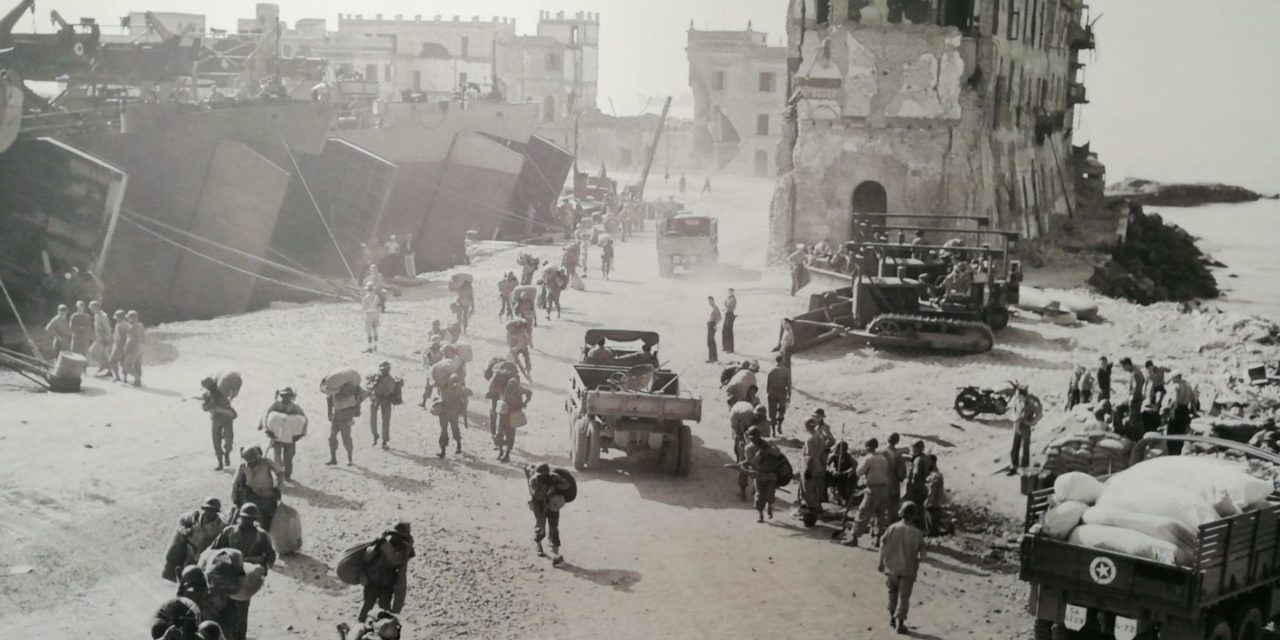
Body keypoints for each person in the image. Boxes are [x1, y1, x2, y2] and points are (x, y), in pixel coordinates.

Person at [209, 503, 276, 640]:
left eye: (251, 519)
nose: (247, 521)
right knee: (222, 610)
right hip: (226, 577)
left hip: (246, 579)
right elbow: (213, 550)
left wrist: (264, 567)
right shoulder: (229, 532)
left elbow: (270, 555)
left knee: (241, 613)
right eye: (245, 518)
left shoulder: (261, 536)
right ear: (239, 517)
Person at [879, 501, 927, 634]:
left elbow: (883, 544)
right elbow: (922, 552)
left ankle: (891, 618)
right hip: (908, 570)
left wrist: (881, 562)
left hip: (892, 568)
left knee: (892, 593)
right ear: (915, 516)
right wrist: (920, 558)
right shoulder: (917, 533)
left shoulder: (893, 528)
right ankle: (900, 623)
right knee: (904, 597)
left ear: (901, 513)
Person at [358, 523, 414, 623]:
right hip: (373, 580)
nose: (396, 539)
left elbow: (396, 560)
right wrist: (375, 548)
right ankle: (360, 626)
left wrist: (385, 546)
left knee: (384, 609)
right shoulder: (383, 542)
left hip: (387, 584)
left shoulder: (404, 550)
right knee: (367, 605)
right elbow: (366, 557)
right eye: (395, 535)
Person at [164, 497, 226, 582]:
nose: (208, 512)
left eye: (212, 511)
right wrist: (184, 530)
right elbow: (181, 521)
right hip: (190, 550)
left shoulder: (221, 525)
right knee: (186, 571)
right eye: (206, 509)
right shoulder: (195, 517)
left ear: (216, 512)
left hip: (205, 554)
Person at [847, 438, 889, 547]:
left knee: (863, 512)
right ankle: (877, 538)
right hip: (884, 489)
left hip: (873, 489)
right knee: (880, 515)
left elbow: (859, 472)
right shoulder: (883, 458)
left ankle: (854, 537)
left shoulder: (869, 458)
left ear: (868, 447)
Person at [525, 463, 570, 563]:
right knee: (540, 527)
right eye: (540, 475)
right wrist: (546, 487)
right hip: (539, 505)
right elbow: (538, 496)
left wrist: (558, 485)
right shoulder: (533, 480)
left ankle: (555, 554)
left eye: (545, 475)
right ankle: (539, 546)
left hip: (552, 505)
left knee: (554, 528)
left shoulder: (554, 477)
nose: (543, 477)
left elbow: (566, 485)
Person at [261, 388, 306, 481]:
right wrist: (267, 430)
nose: (285, 397)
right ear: (281, 396)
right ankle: (279, 474)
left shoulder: (295, 407)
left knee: (289, 457)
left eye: (287, 395)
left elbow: (304, 420)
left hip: (289, 437)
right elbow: (266, 416)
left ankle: (287, 475)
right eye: (283, 395)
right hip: (276, 435)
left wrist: (300, 434)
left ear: (291, 396)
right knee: (277, 456)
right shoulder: (275, 405)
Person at [231, 446, 281, 530]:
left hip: (267, 496)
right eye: (248, 462)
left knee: (268, 519)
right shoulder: (242, 467)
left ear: (257, 458)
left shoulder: (266, 462)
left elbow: (280, 471)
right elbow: (235, 483)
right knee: (239, 514)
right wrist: (234, 495)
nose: (250, 464)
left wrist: (278, 484)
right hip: (251, 496)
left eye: (252, 461)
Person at [742, 426, 785, 523]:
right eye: (752, 438)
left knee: (770, 493)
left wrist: (769, 450)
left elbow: (778, 453)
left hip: (771, 474)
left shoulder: (768, 442)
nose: (754, 439)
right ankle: (760, 514)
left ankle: (769, 506)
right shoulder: (748, 448)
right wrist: (760, 455)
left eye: (756, 437)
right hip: (759, 474)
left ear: (759, 436)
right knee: (759, 495)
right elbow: (751, 462)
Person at [730, 402, 768, 501]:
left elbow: (766, 439)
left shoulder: (762, 424)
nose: (758, 418)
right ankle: (746, 490)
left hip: (753, 448)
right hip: (750, 447)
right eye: (757, 415)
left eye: (760, 416)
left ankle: (752, 489)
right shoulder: (748, 418)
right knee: (747, 468)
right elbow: (740, 432)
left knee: (749, 468)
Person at [201, 377, 237, 471]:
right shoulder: (208, 395)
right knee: (216, 442)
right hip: (216, 420)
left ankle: (227, 454)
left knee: (229, 440)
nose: (211, 388)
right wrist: (210, 403)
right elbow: (204, 408)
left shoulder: (222, 393)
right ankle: (220, 462)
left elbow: (229, 406)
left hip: (227, 420)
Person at [484, 357, 520, 446]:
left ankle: (494, 435)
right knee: (511, 419)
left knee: (493, 413)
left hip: (497, 395)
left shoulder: (495, 371)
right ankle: (509, 441)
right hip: (510, 398)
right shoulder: (513, 372)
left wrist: (490, 394)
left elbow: (490, 383)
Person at [327, 382, 365, 466]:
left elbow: (354, 406)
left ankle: (350, 459)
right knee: (332, 437)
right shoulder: (334, 392)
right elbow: (329, 401)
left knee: (346, 439)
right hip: (336, 417)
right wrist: (329, 413)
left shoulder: (350, 393)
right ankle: (333, 459)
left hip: (345, 418)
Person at [1008, 385, 1042, 475]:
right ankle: (1014, 466)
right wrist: (1014, 418)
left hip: (1025, 428)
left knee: (1025, 448)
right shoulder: (1017, 402)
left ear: (1023, 395)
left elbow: (1039, 414)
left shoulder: (1031, 405)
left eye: (1018, 394)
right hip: (1017, 426)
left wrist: (1032, 423)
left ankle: (1024, 468)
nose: (1016, 396)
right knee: (1015, 447)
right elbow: (1012, 411)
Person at [497, 376, 532, 462]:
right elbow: (529, 393)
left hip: (510, 414)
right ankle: (502, 452)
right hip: (505, 413)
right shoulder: (512, 388)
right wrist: (525, 403)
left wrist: (525, 402)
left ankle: (506, 454)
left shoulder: (514, 389)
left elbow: (529, 393)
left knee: (508, 435)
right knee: (501, 434)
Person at [799, 419, 827, 522]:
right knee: (815, 489)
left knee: (808, 491)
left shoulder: (809, 439)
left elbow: (809, 456)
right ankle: (816, 509)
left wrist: (807, 470)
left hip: (810, 466)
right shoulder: (820, 436)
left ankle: (811, 514)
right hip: (818, 465)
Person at [367, 362, 400, 449]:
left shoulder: (391, 380)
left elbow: (386, 393)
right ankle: (375, 435)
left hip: (386, 400)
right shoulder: (375, 377)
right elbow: (368, 386)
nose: (384, 371)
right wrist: (372, 384)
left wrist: (377, 386)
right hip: (375, 399)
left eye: (385, 369)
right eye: (382, 370)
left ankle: (384, 441)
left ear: (388, 370)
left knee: (385, 421)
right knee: (372, 418)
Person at [437, 374, 470, 458]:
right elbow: (467, 397)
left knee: (444, 431)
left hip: (446, 413)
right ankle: (458, 446)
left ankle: (443, 451)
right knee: (454, 429)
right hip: (453, 413)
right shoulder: (460, 390)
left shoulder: (444, 389)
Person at [1164, 372, 1197, 455]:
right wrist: (1190, 411)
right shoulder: (1189, 387)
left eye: (1172, 378)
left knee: (1171, 435)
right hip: (1185, 411)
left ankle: (1171, 454)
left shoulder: (1176, 386)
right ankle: (1177, 454)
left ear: (1176, 377)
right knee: (1181, 435)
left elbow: (1174, 400)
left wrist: (1171, 411)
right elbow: (1194, 400)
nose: (1172, 380)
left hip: (1177, 410)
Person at [903, 440, 931, 525]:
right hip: (924, 485)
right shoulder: (926, 458)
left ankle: (914, 524)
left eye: (913, 448)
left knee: (912, 506)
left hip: (917, 486)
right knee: (920, 507)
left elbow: (916, 474)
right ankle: (923, 525)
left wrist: (911, 487)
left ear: (916, 449)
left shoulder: (918, 460)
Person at [883, 433, 908, 522]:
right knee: (892, 507)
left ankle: (876, 529)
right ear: (897, 441)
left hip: (880, 484)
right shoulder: (897, 455)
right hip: (892, 485)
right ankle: (890, 525)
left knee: (879, 508)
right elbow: (902, 474)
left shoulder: (880, 452)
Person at [766, 356, 791, 437]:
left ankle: (773, 431)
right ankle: (779, 425)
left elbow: (768, 384)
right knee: (782, 411)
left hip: (772, 391)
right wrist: (789, 395)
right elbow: (788, 384)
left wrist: (769, 393)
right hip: (781, 391)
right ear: (782, 360)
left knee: (772, 412)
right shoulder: (786, 370)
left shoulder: (771, 370)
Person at [1119, 357, 1145, 435]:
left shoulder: (1135, 373)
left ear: (1127, 365)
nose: (1123, 369)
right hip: (1137, 398)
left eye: (1123, 366)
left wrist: (1131, 399)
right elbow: (1143, 380)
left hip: (1135, 400)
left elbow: (1136, 388)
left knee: (1133, 421)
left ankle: (1135, 437)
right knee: (1135, 419)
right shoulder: (1136, 371)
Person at [827, 441, 857, 507]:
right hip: (835, 474)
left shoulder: (849, 457)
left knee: (848, 480)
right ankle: (824, 497)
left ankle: (846, 498)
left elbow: (854, 466)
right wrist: (832, 470)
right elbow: (827, 465)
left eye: (838, 448)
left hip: (844, 476)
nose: (836, 450)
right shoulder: (834, 456)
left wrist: (844, 473)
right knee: (824, 476)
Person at [87, 300, 113, 376]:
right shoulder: (96, 315)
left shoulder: (103, 316)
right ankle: (108, 370)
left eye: (92, 308)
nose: (91, 309)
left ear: (96, 307)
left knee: (91, 352)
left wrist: (107, 339)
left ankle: (104, 366)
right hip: (99, 337)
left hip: (103, 338)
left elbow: (107, 328)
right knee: (103, 355)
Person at [122, 310, 146, 386]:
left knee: (127, 365)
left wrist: (126, 348)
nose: (128, 319)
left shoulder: (131, 327)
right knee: (138, 364)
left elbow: (130, 339)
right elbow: (143, 336)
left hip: (134, 347)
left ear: (132, 318)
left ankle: (137, 378)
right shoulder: (140, 325)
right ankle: (138, 381)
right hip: (141, 346)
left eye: (128, 318)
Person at [924, 456, 946, 535]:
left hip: (933, 505)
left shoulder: (934, 476)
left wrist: (927, 503)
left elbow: (931, 492)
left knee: (932, 530)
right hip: (937, 504)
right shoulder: (938, 474)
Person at [109, 309, 130, 381]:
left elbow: (117, 338)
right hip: (127, 346)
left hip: (118, 346)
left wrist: (118, 346)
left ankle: (117, 377)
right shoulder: (128, 324)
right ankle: (125, 378)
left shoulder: (118, 325)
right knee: (124, 362)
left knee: (112, 361)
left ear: (119, 318)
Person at [722, 288, 737, 354]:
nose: (729, 292)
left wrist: (726, 307)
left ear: (733, 292)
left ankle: (730, 349)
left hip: (730, 314)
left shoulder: (733, 298)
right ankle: (725, 347)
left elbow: (729, 306)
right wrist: (725, 307)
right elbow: (725, 304)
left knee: (729, 331)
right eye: (729, 291)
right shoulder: (728, 298)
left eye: (731, 291)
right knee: (724, 331)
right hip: (727, 314)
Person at [706, 296, 721, 363]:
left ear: (713, 301)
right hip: (710, 324)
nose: (709, 302)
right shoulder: (711, 308)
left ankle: (713, 358)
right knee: (710, 342)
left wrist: (715, 325)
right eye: (708, 301)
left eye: (710, 301)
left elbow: (720, 317)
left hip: (712, 325)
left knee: (711, 341)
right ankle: (712, 358)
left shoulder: (715, 307)